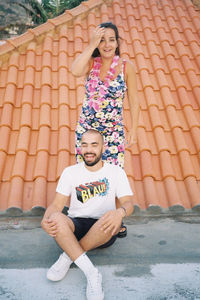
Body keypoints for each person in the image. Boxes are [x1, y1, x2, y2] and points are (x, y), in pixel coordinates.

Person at [41, 129, 134, 300]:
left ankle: (68, 255)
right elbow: (56, 205)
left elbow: (129, 203)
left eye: (94, 145)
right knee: (55, 218)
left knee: (109, 218)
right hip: (76, 224)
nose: (88, 150)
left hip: (104, 227)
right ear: (80, 148)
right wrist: (45, 219)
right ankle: (92, 273)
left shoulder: (116, 172)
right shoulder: (70, 172)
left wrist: (119, 213)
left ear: (103, 148)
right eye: (84, 145)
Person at [71, 22, 139, 237]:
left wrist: (134, 130)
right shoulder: (91, 64)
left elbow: (134, 101)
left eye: (111, 39)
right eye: (102, 39)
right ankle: (86, 216)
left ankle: (116, 218)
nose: (107, 44)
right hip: (88, 132)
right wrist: (91, 44)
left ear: (118, 42)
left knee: (114, 174)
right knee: (86, 172)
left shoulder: (127, 66)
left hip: (113, 132)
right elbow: (74, 70)